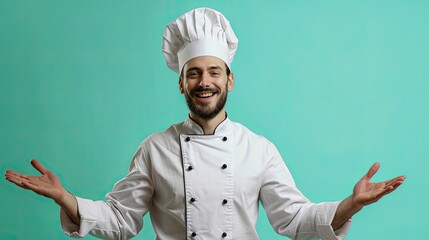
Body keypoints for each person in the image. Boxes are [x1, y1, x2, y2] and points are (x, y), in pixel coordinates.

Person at [5, 7, 405, 240]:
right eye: (194, 73)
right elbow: (121, 219)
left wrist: (351, 204)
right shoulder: (155, 148)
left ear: (229, 79)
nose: (204, 82)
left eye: (214, 72)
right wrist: (66, 199)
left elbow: (296, 219)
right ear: (181, 82)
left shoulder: (258, 149)